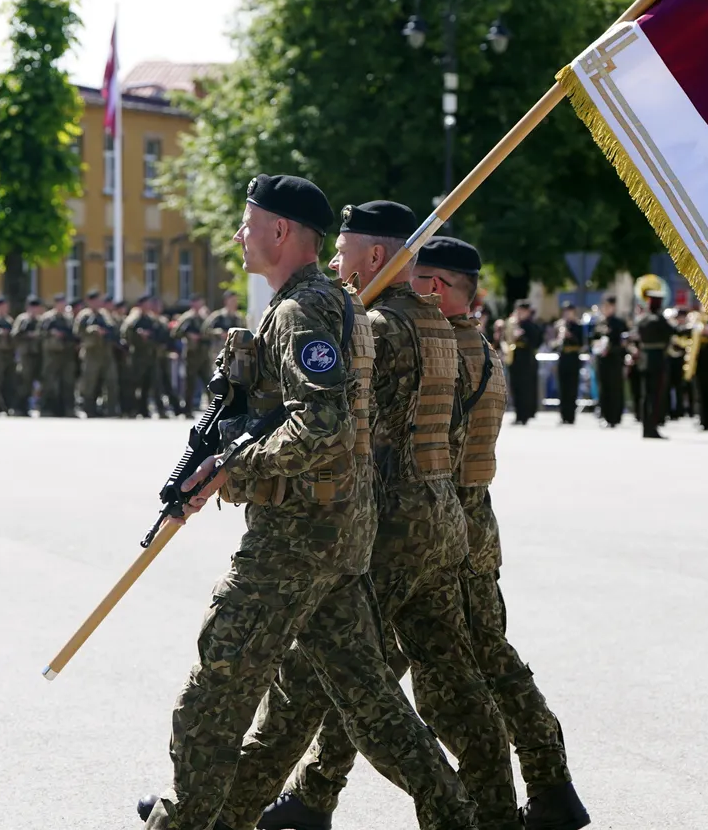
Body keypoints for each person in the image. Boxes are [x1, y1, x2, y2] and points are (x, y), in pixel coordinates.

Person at [137, 175, 479, 830]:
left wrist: (232, 468)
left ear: (282, 231)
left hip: (295, 542)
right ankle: (457, 819)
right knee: (374, 708)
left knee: (209, 704)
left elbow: (320, 428)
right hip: (340, 536)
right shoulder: (333, 303)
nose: (239, 234)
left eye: (248, 222)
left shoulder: (301, 311)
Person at [218, 199, 509, 830]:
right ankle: (496, 808)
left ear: (375, 255)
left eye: (344, 249)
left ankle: (238, 810)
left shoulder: (376, 328)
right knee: (449, 675)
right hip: (443, 516)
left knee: (324, 683)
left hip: (392, 522)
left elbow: (338, 428)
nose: (336, 260)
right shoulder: (438, 325)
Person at [413, 236, 590, 829]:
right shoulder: (479, 345)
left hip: (447, 525)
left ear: (436, 288)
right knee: (492, 658)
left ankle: (510, 799)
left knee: (444, 678)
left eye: (413, 280)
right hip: (474, 519)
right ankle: (550, 782)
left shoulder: (450, 352)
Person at [634, 290, 676, 439]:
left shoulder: (641, 319)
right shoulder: (659, 319)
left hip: (644, 359)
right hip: (657, 359)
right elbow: (672, 331)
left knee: (645, 396)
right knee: (656, 396)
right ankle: (652, 428)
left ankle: (645, 428)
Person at [75, 289, 118, 417]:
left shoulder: (105, 315)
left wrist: (106, 333)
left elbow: (113, 330)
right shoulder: (84, 316)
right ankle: (89, 409)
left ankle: (110, 409)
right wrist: (92, 331)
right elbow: (78, 333)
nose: (98, 303)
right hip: (91, 353)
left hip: (106, 353)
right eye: (95, 300)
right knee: (90, 383)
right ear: (89, 301)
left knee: (111, 381)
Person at [505, 300, 543, 424]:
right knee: (515, 386)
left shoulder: (531, 325)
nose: (519, 313)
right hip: (515, 357)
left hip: (526, 359)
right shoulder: (515, 324)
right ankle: (518, 414)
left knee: (525, 388)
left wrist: (522, 337)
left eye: (522, 311)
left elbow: (536, 342)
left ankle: (524, 415)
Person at [39, 294, 77, 417]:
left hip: (66, 354)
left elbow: (73, 334)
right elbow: (41, 333)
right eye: (60, 303)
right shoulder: (48, 318)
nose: (62, 306)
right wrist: (52, 333)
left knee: (68, 382)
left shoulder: (68, 319)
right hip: (51, 354)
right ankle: (46, 409)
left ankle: (67, 409)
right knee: (49, 382)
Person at [593, 296, 628, 427]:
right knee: (603, 388)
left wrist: (611, 349)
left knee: (615, 389)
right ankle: (605, 415)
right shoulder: (600, 323)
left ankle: (615, 417)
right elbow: (594, 339)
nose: (606, 309)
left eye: (608, 306)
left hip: (615, 360)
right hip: (602, 360)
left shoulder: (619, 323)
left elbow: (624, 343)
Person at [11, 296, 45, 416]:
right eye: (33, 307)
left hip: (38, 354)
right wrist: (27, 335)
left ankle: (39, 406)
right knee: (24, 381)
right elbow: (15, 335)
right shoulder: (22, 319)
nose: (35, 310)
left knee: (40, 381)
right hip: (25, 354)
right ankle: (19, 407)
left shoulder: (41, 320)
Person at [176, 297, 211, 415]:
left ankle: (213, 411)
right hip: (192, 354)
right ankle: (187, 409)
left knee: (209, 383)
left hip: (204, 354)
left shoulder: (205, 317)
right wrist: (189, 334)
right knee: (190, 383)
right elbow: (176, 332)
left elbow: (209, 332)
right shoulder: (187, 317)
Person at [554, 304, 584, 424]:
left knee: (572, 387)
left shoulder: (578, 326)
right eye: (565, 312)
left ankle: (571, 416)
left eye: (569, 312)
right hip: (563, 358)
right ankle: (563, 415)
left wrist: (570, 336)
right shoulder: (560, 325)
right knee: (562, 388)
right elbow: (555, 344)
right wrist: (559, 338)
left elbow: (581, 343)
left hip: (573, 358)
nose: (567, 314)